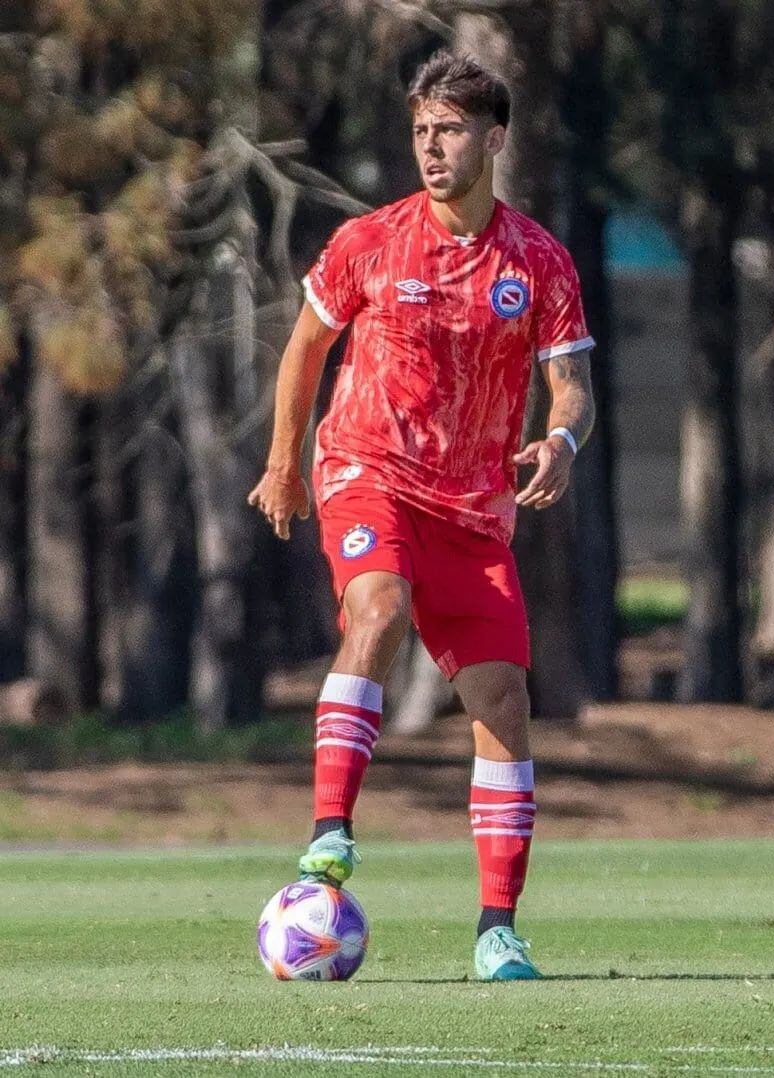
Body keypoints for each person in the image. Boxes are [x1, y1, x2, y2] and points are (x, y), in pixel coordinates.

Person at [248, 50, 595, 981]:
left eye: (448, 130)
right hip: (369, 472)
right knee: (379, 610)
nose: (431, 148)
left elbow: (573, 388)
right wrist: (285, 464)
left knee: (504, 703)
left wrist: (560, 443)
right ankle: (329, 835)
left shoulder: (539, 261)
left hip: (474, 513)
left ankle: (496, 930)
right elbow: (305, 349)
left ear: (494, 137)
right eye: (420, 131)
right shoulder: (371, 242)